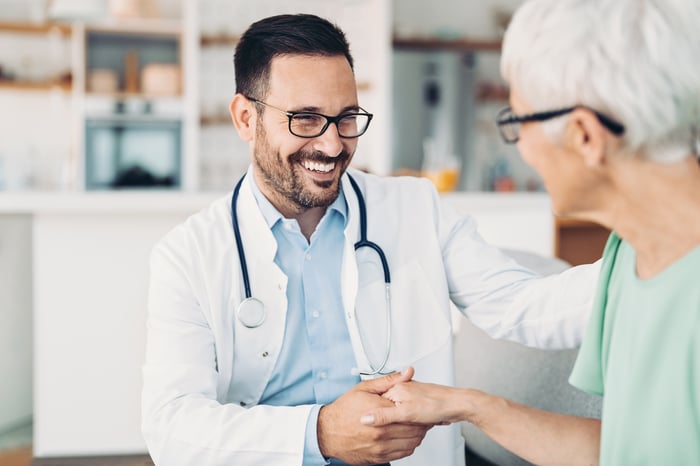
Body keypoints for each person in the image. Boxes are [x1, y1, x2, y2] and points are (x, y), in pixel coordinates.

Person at [141, 13, 600, 466]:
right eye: (305, 119)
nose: (333, 144)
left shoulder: (416, 209)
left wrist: (654, 255)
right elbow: (172, 427)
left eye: (346, 118)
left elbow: (525, 305)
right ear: (245, 118)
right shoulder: (188, 255)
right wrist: (319, 434)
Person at [361, 0, 700, 464]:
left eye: (519, 121)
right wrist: (469, 406)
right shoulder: (630, 258)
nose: (522, 148)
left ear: (584, 135)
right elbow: (621, 448)